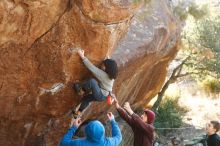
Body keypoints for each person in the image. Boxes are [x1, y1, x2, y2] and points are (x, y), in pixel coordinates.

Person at [72, 48, 118, 118]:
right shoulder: (112, 76)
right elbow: (112, 67)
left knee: (92, 81)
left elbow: (92, 68)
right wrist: (108, 60)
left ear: (107, 69)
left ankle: (80, 90)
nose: (102, 65)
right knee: (86, 99)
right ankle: (77, 113)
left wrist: (82, 56)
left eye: (104, 65)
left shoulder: (105, 76)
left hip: (101, 94)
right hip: (104, 96)